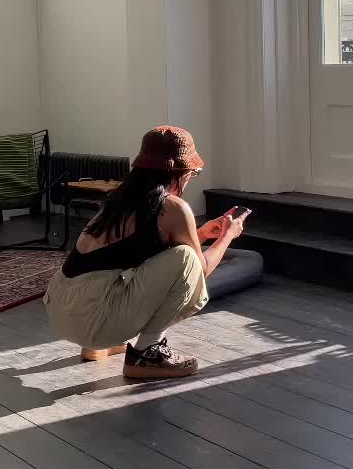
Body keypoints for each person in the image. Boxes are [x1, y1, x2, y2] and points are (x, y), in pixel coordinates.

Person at [43, 126, 248, 380]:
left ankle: (101, 344)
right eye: (193, 173)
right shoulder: (173, 207)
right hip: (93, 322)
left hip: (62, 311)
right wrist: (228, 235)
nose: (191, 178)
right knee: (185, 259)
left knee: (154, 261)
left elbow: (137, 249)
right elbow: (200, 268)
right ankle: (147, 353)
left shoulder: (117, 200)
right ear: (178, 172)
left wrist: (202, 234)